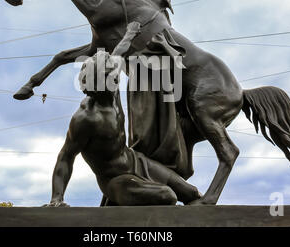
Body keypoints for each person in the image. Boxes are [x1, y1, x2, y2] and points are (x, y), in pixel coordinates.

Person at [46, 22, 201, 207]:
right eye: (110, 79)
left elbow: (119, 51)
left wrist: (130, 32)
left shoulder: (111, 81)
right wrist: (57, 198)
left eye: (115, 76)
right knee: (167, 196)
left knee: (192, 193)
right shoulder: (85, 119)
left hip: (135, 161)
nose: (116, 81)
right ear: (97, 84)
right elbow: (65, 157)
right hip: (116, 181)